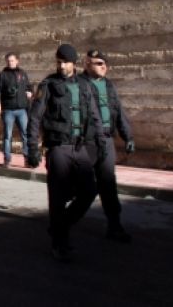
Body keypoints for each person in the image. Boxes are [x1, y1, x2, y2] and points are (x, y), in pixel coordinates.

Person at [27, 44, 106, 262]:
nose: (61, 66)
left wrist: (100, 142)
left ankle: (60, 226)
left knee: (89, 191)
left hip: (81, 148)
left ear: (74, 63)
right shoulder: (48, 85)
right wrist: (32, 147)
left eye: (65, 62)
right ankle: (60, 243)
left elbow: (94, 114)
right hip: (58, 147)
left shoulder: (84, 85)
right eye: (58, 62)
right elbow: (35, 117)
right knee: (58, 197)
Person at [80, 49, 135, 243]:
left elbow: (119, 112)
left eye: (104, 63)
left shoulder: (109, 85)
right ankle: (63, 224)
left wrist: (127, 136)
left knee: (108, 183)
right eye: (97, 63)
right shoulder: (79, 84)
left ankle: (114, 226)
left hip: (106, 140)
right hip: (86, 142)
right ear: (87, 64)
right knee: (82, 186)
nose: (103, 67)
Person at [0, 52, 32, 168]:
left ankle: (27, 159)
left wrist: (30, 92)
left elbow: (29, 86)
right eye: (8, 61)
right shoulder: (2, 75)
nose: (10, 62)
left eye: (12, 60)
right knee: (7, 136)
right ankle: (7, 160)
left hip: (22, 110)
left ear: (17, 61)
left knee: (25, 135)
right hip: (8, 110)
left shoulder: (23, 74)